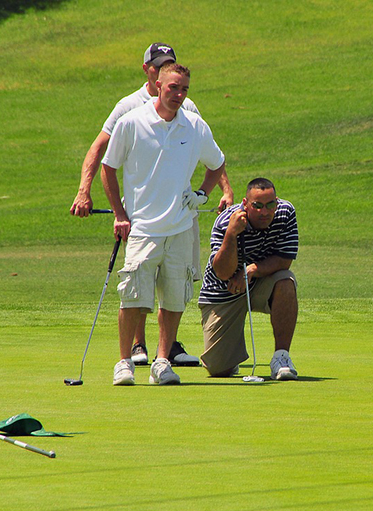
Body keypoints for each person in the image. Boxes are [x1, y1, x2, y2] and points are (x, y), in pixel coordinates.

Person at [71, 42, 234, 367]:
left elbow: (211, 155)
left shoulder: (191, 113)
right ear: (151, 73)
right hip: (143, 219)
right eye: (165, 73)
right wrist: (84, 191)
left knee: (175, 289)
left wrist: (215, 191)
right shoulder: (129, 111)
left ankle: (165, 352)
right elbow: (103, 152)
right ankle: (135, 349)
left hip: (179, 218)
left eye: (182, 86)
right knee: (136, 289)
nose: (178, 92)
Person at [101, 63, 226, 385]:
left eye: (184, 89)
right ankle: (124, 362)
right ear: (157, 84)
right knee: (133, 299)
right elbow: (108, 167)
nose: (179, 94)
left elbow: (217, 163)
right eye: (173, 87)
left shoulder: (195, 126)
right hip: (143, 227)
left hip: (181, 228)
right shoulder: (131, 122)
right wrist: (120, 214)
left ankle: (161, 361)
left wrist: (201, 194)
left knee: (173, 300)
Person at [197, 178, 300, 380]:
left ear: (276, 202)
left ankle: (281, 357)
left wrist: (252, 270)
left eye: (270, 205)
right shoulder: (227, 221)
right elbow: (223, 272)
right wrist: (231, 234)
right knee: (219, 370)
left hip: (259, 282)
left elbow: (284, 259)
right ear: (245, 203)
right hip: (224, 291)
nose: (265, 212)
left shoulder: (285, 212)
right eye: (257, 206)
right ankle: (229, 357)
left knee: (286, 281)